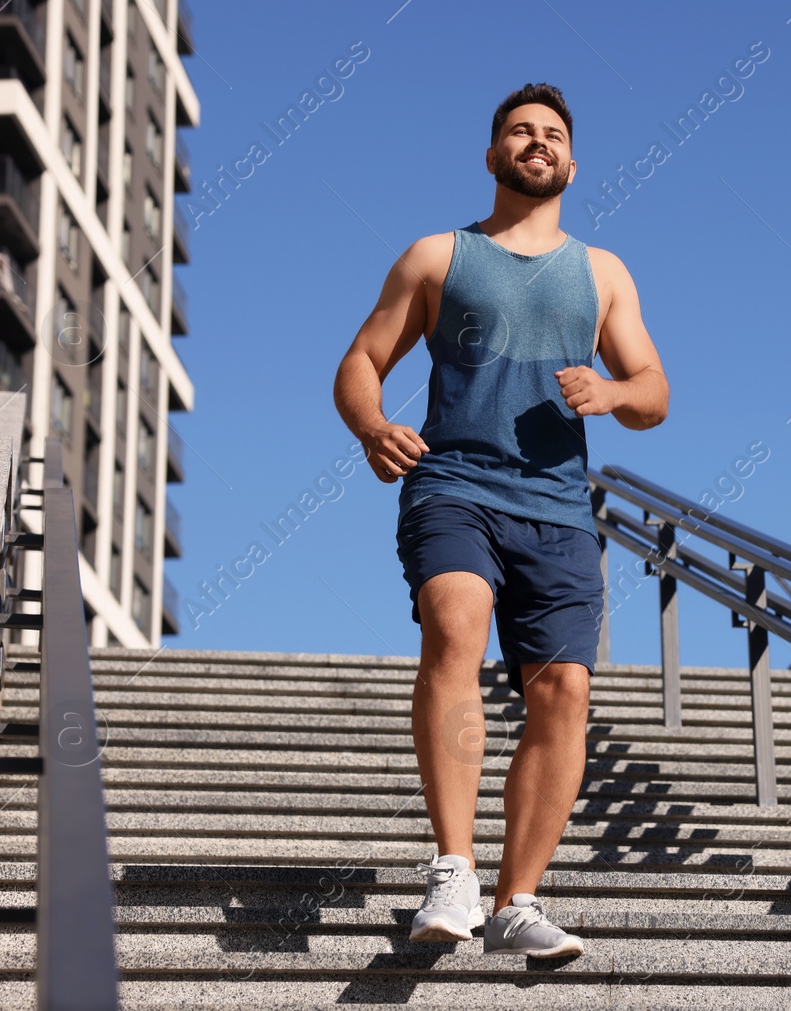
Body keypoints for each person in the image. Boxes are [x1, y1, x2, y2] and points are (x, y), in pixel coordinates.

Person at [333, 83, 669, 958]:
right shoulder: (438, 256)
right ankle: (453, 867)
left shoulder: (604, 273)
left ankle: (518, 900)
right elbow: (362, 360)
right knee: (455, 627)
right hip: (455, 486)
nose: (537, 142)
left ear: (571, 162)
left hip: (558, 509)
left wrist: (613, 392)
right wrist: (372, 427)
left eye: (553, 134)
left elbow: (655, 392)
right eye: (520, 131)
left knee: (563, 691)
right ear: (492, 156)